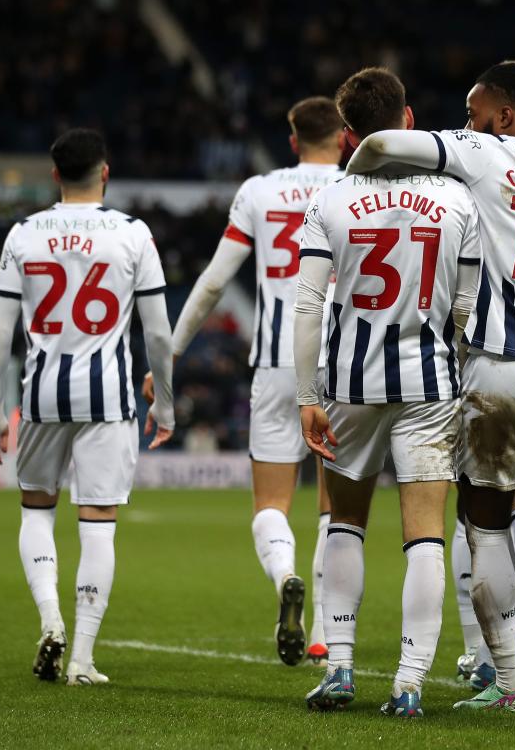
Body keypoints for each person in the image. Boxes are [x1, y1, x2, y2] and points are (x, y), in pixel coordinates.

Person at [347, 60, 515, 718]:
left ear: (502, 114)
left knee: (484, 530)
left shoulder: (483, 151)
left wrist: (348, 192)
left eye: (472, 110)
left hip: (500, 371)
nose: (466, 121)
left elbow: (380, 144)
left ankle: (513, 687)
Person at [294, 67, 480, 718]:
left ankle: (340, 668)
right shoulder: (458, 200)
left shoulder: (332, 201)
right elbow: (464, 309)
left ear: (348, 136)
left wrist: (305, 395)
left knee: (344, 520)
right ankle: (408, 683)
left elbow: (309, 303)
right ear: (409, 123)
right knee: (425, 535)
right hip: (430, 382)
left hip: (352, 381)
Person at [143, 97, 344, 666]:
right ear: (344, 137)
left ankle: (286, 574)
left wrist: (170, 356)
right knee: (336, 506)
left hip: (278, 360)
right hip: (342, 361)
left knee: (270, 504)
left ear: (292, 140)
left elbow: (211, 283)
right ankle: (327, 631)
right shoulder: (358, 185)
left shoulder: (259, 191)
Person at [0, 128, 175, 686]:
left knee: (36, 510)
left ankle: (50, 622)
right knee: (98, 524)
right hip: (108, 398)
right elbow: (157, 334)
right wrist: (164, 402)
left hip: (41, 394)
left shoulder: (23, 233)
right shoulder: (133, 234)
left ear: (54, 177)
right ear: (105, 172)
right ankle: (84, 659)